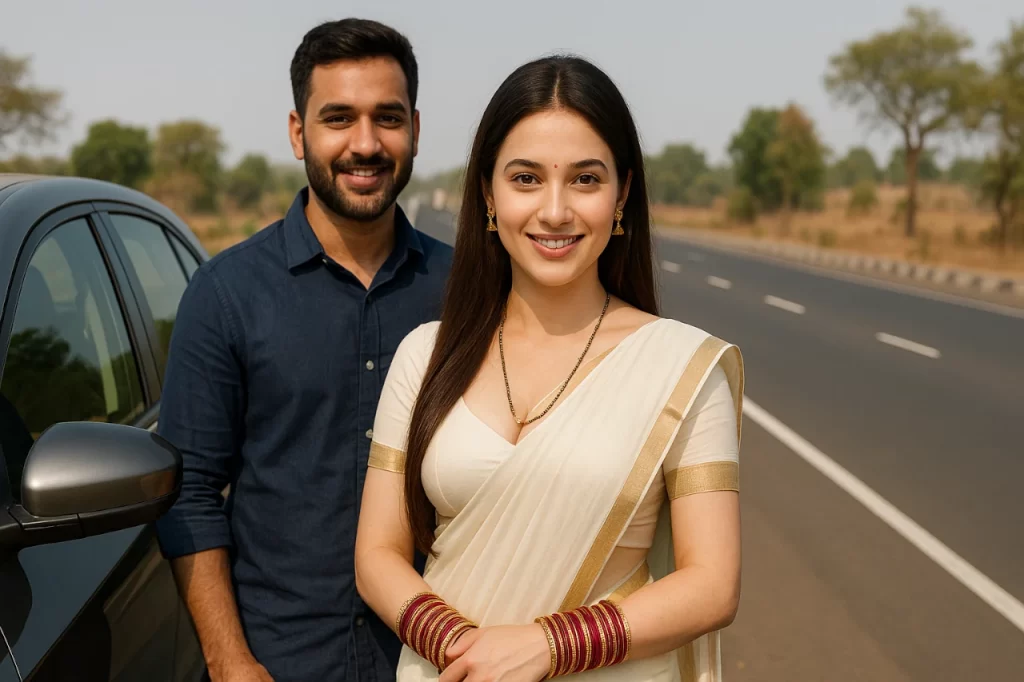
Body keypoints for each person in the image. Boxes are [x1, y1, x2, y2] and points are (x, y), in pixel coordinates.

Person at [354, 54, 744, 682]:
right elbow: (377, 554)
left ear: (623, 194)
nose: (556, 211)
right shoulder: (424, 356)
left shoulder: (682, 367)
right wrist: (464, 650)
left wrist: (548, 646)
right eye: (526, 178)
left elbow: (712, 584)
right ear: (488, 192)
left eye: (586, 180)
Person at [154, 18, 452, 682]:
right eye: (339, 118)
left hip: (436, 661)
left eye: (388, 118)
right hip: (277, 663)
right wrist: (229, 661)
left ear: (416, 130)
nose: (366, 144)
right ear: (299, 133)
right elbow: (192, 494)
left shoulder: (467, 294)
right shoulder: (225, 294)